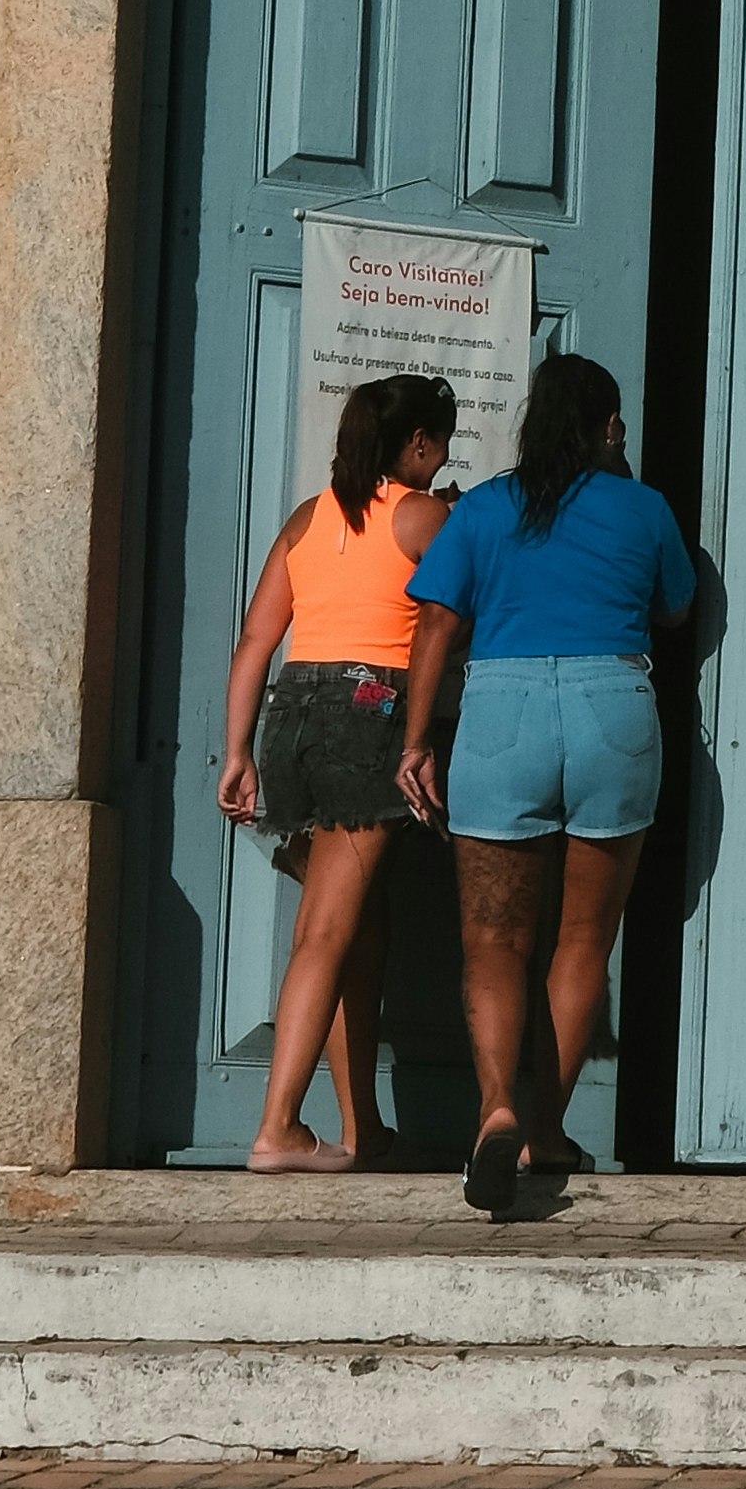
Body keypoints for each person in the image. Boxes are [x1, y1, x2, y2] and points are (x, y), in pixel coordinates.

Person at [397, 351, 696, 1217]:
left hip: (504, 713)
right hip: (613, 706)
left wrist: (417, 741)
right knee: (580, 942)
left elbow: (438, 624)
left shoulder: (486, 508)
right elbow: (673, 608)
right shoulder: (641, 507)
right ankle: (546, 1129)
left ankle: (493, 1107)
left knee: (494, 943)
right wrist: (623, 479)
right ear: (608, 426)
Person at [217, 370, 459, 1170]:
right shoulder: (423, 515)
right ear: (418, 445)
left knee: (353, 928)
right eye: (440, 443)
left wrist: (238, 750)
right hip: (369, 715)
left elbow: (257, 640)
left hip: (294, 712)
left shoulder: (307, 518)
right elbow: (465, 609)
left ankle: (361, 1131)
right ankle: (279, 1127)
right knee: (325, 930)